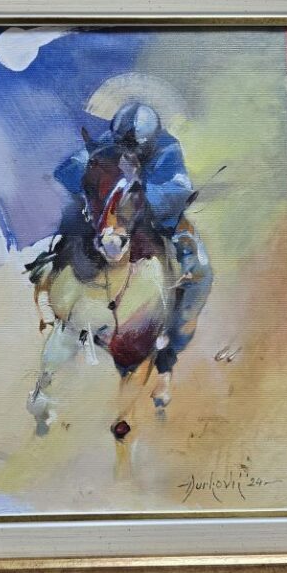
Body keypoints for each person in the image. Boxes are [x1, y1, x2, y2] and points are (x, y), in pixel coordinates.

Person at [54, 102, 212, 378]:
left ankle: (171, 344)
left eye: (135, 147)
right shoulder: (107, 142)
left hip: (154, 218)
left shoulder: (168, 148)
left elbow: (179, 188)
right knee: (66, 230)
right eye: (122, 145)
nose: (127, 151)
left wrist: (136, 191)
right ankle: (47, 284)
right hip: (107, 216)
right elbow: (66, 170)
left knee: (200, 269)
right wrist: (92, 174)